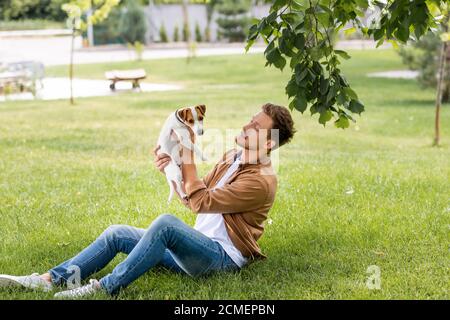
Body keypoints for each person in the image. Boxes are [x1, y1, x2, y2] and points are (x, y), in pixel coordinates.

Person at [0, 103, 295, 298]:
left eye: (255, 127)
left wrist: (187, 153)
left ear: (268, 142)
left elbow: (201, 202)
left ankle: (105, 288)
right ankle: (49, 280)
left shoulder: (260, 181)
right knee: (117, 233)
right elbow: (191, 196)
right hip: (195, 247)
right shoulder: (233, 158)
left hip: (219, 258)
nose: (245, 126)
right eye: (250, 120)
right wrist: (173, 166)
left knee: (165, 225)